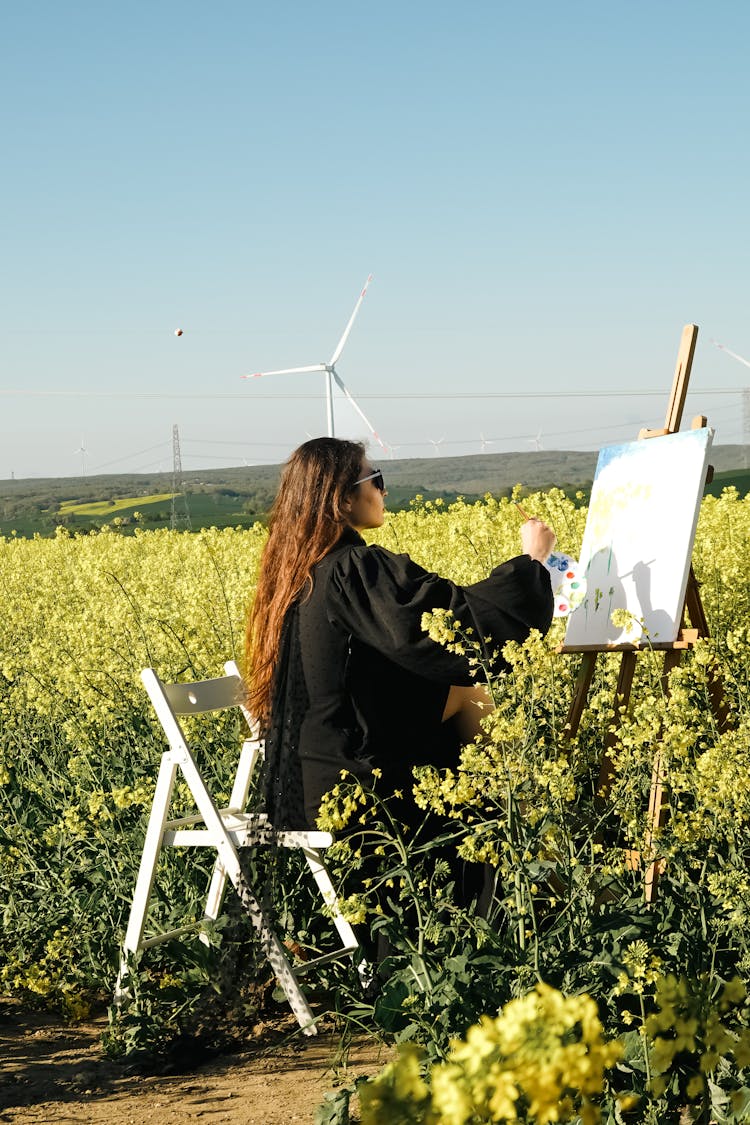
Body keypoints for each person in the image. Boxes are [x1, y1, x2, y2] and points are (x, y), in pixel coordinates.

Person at [244, 437, 556, 833]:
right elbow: (451, 623)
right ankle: (517, 833)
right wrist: (532, 562)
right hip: (349, 785)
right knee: (471, 694)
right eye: (376, 478)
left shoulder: (292, 574)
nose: (384, 490)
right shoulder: (351, 569)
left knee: (459, 693)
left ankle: (508, 833)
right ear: (342, 500)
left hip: (302, 780)